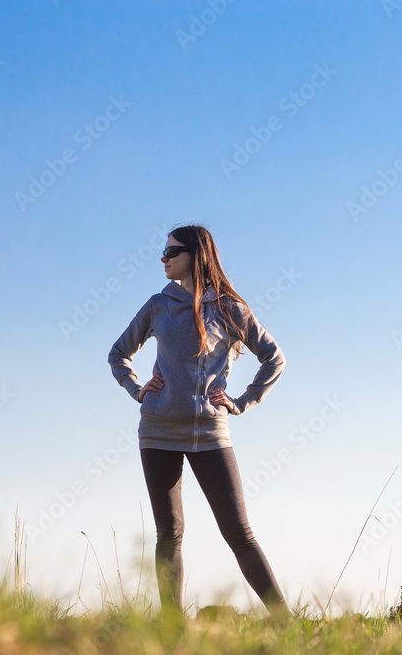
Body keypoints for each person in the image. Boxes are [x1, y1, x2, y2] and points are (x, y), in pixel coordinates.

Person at [107, 223, 289, 618]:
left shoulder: (229, 308)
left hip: (211, 433)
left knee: (239, 532)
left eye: (172, 252)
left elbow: (274, 358)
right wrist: (138, 389)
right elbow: (118, 353)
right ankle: (174, 630)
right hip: (157, 430)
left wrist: (242, 402)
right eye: (164, 252)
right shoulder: (158, 305)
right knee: (169, 533)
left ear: (195, 255)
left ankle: (286, 623)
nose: (163, 258)